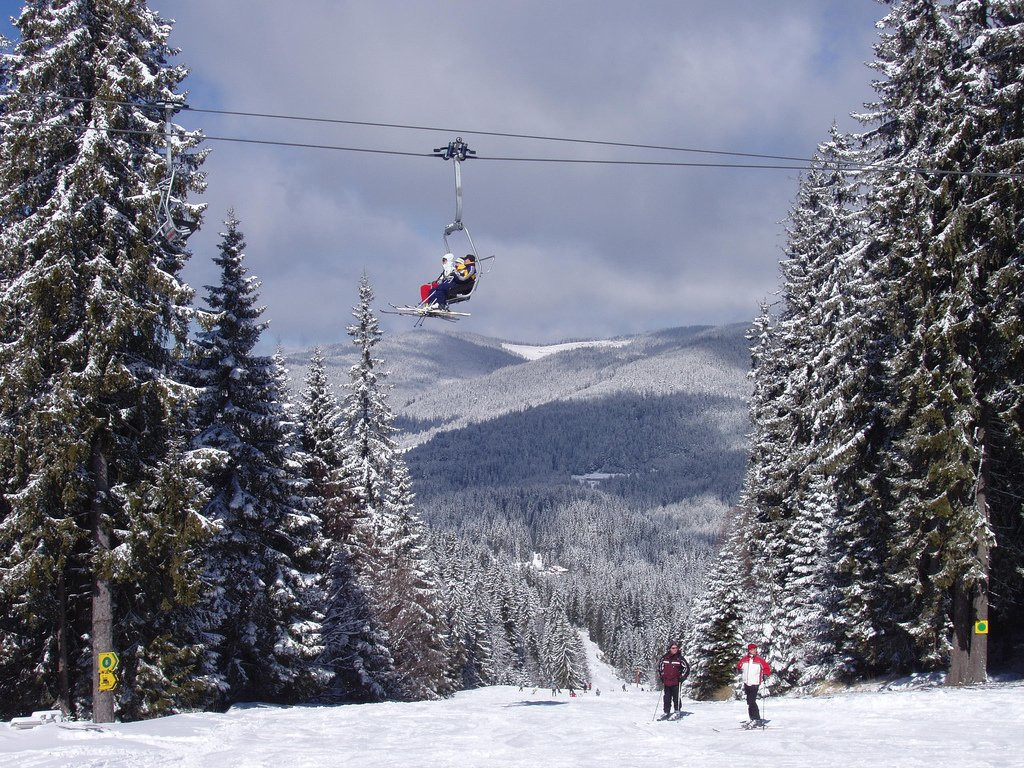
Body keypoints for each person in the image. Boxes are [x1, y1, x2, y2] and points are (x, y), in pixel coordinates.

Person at [737, 642, 771, 723]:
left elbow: (766, 668)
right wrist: (737, 670)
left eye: (755, 649)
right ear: (749, 650)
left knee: (752, 701)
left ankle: (756, 719)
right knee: (749, 702)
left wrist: (766, 674)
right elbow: (738, 666)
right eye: (752, 649)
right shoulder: (744, 659)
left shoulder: (759, 660)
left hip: (755, 683)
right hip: (746, 682)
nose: (754, 651)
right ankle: (752, 718)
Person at [658, 642, 691, 718]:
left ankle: (677, 711)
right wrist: (662, 677)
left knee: (676, 697)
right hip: (667, 681)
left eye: (676, 648)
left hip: (676, 681)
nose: (675, 649)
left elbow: (687, 668)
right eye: (673, 648)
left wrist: (682, 677)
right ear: (670, 649)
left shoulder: (680, 658)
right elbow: (660, 667)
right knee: (667, 698)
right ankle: (666, 712)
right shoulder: (665, 658)